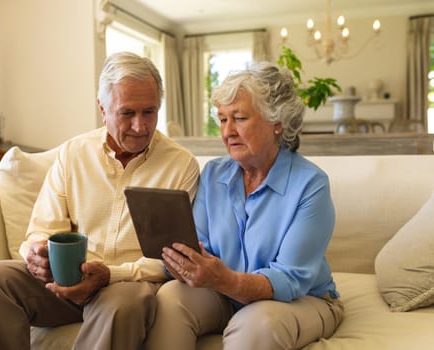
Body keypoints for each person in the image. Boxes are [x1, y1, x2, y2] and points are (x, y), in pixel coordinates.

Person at [0, 52, 199, 350]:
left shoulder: (180, 166)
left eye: (149, 112)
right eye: (127, 113)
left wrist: (109, 274)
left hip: (127, 286)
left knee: (124, 304)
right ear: (102, 108)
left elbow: (170, 259)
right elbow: (42, 229)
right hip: (67, 278)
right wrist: (37, 253)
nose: (140, 127)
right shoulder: (73, 154)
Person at [144, 61, 343, 350]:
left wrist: (224, 279)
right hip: (225, 294)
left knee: (256, 323)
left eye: (239, 118)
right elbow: (200, 245)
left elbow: (290, 279)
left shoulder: (311, 185)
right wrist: (184, 264)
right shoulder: (213, 174)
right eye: (223, 119)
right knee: (170, 298)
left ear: (278, 123)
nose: (228, 132)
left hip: (301, 299)